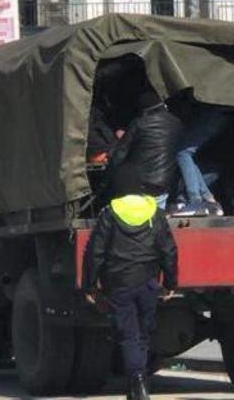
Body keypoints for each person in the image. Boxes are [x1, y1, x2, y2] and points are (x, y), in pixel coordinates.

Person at [82, 165, 178, 400]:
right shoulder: (154, 213)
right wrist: (171, 282)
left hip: (120, 283)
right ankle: (138, 383)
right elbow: (168, 250)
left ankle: (137, 382)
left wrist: (89, 284)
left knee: (129, 334)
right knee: (143, 333)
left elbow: (95, 251)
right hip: (148, 282)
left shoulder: (109, 213)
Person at [110, 91, 183, 210]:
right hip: (164, 182)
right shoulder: (176, 123)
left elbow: (120, 154)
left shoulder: (138, 124)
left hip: (138, 183)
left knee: (133, 219)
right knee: (156, 219)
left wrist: (109, 178)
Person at [172, 106, 228, 216]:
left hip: (210, 113)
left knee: (183, 153)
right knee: (186, 154)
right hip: (216, 114)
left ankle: (196, 201)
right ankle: (208, 199)